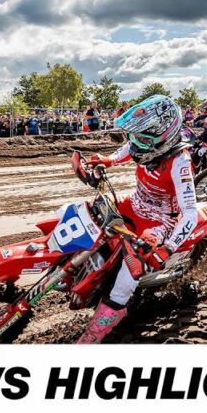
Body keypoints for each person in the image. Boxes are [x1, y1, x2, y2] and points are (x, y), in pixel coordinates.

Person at [78, 95, 196, 343]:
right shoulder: (143, 146)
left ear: (163, 137)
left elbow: (190, 213)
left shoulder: (180, 162)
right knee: (87, 214)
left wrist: (167, 248)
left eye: (141, 138)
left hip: (159, 223)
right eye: (134, 136)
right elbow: (129, 148)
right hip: (133, 204)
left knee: (130, 271)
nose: (134, 142)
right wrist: (109, 160)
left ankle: (94, 335)